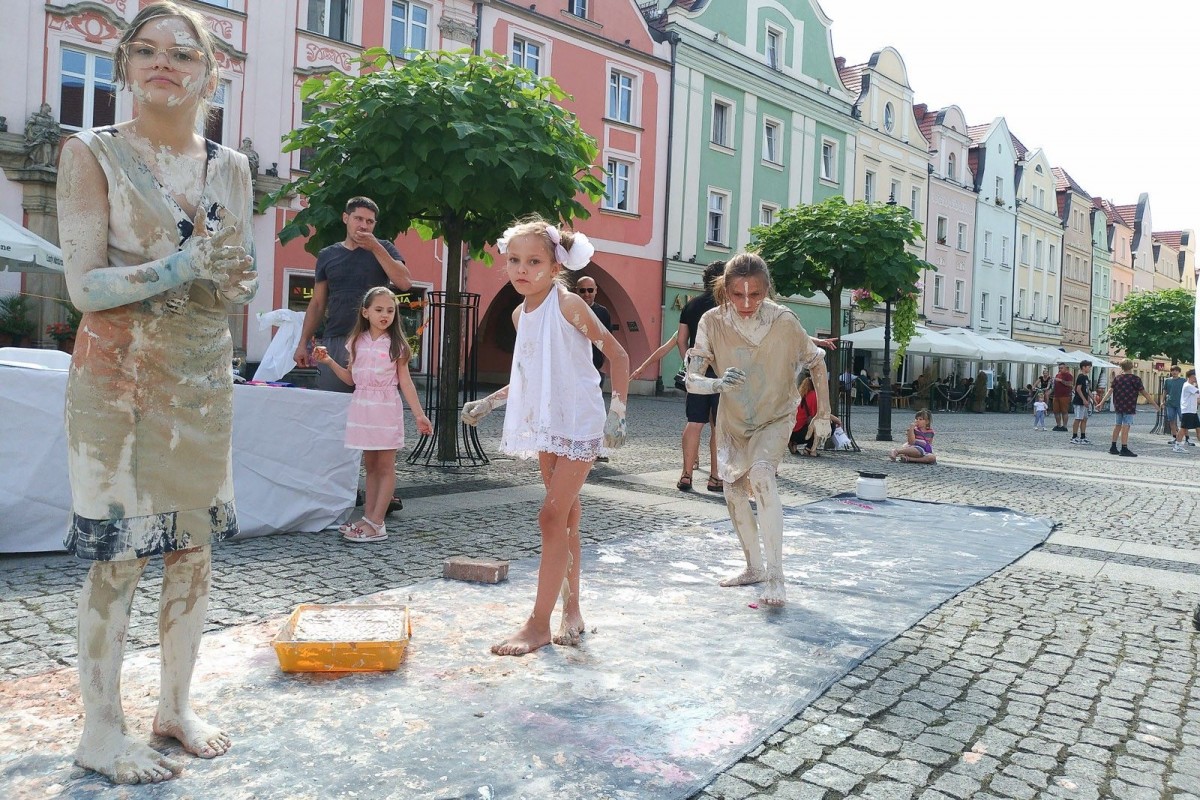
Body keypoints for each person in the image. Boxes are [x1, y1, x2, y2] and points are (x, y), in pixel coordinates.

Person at [54, 2, 256, 784]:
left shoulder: (229, 166)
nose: (162, 63)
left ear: (209, 72)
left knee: (193, 552)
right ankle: (101, 731)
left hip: (202, 378)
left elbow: (231, 281)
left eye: (181, 53)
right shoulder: (91, 153)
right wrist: (182, 266)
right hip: (117, 379)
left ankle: (175, 706)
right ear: (125, 67)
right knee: (120, 559)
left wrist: (229, 276)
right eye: (145, 51)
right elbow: (85, 287)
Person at [460, 215, 629, 656]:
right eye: (514, 260)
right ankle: (571, 611)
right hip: (546, 424)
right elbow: (530, 375)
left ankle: (538, 624)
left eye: (534, 261)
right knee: (566, 518)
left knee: (550, 517)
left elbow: (618, 353)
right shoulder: (520, 314)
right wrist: (490, 402)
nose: (522, 269)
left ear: (555, 266)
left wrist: (619, 411)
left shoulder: (569, 304)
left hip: (578, 423)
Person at [685, 253, 830, 607]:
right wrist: (716, 384)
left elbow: (816, 362)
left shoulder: (784, 320)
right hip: (734, 419)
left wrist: (823, 413)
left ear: (767, 290)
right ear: (725, 291)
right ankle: (754, 567)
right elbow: (691, 380)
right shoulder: (711, 321)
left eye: (755, 295)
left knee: (763, 476)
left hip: (776, 414)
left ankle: (777, 576)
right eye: (738, 295)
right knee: (733, 493)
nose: (747, 303)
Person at [313, 287, 432, 542]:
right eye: (379, 310)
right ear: (365, 312)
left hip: (386, 408)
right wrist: (329, 362)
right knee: (371, 466)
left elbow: (406, 383)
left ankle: (377, 523)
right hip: (362, 407)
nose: (385, 315)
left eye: (390, 310)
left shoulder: (397, 345)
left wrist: (419, 415)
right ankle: (367, 518)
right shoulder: (355, 342)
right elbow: (351, 379)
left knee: (386, 465)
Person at [293, 196, 412, 392]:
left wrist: (375, 247)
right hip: (336, 339)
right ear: (345, 218)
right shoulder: (327, 255)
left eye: (370, 221)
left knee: (373, 404)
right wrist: (303, 343)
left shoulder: (384, 248)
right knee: (331, 407)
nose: (364, 225)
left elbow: (405, 282)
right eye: (358, 219)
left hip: (374, 341)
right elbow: (317, 304)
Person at [676, 261, 725, 491]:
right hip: (720, 372)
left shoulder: (692, 305)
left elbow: (681, 340)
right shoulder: (726, 307)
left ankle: (686, 474)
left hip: (697, 372)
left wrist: (688, 363)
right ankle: (715, 477)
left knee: (694, 423)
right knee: (718, 427)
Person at [1101, 359, 1159, 457]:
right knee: (1126, 426)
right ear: (1132, 367)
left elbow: (1110, 391)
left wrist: (1101, 402)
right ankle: (1124, 448)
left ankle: (1113, 446)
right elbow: (1144, 393)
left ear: (1121, 367)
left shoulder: (1117, 378)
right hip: (1129, 406)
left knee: (1117, 425)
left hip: (1118, 405)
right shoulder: (1135, 379)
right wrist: (1154, 404)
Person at [790, 375, 842, 456]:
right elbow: (821, 414)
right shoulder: (814, 396)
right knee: (830, 425)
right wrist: (837, 420)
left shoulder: (800, 396)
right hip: (802, 433)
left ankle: (793, 442)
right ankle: (809, 449)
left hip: (791, 432)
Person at [574, 275, 610, 373]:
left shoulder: (603, 312)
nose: (586, 294)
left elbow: (608, 340)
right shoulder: (570, 311)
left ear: (595, 290)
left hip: (596, 367)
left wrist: (603, 366)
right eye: (582, 290)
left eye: (590, 290)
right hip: (574, 366)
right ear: (577, 291)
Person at [1172, 369, 1199, 454]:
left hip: (1193, 411)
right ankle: (1177, 446)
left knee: (1198, 428)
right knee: (1183, 428)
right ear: (1191, 376)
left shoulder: (1192, 386)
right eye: (1196, 376)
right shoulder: (1187, 385)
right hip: (1187, 411)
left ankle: (1178, 445)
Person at [1163, 365, 1189, 446]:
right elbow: (1165, 391)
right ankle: (1174, 436)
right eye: (1173, 371)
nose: (1174, 372)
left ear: (1179, 372)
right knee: (1171, 420)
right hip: (1170, 403)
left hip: (1181, 404)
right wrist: (1162, 401)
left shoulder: (1183, 380)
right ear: (1170, 372)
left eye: (1176, 371)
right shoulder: (1167, 380)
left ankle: (1187, 438)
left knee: (1184, 421)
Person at [1070, 360, 1094, 444]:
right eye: (1088, 367)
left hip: (1084, 402)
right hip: (1079, 401)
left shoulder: (1086, 377)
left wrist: (1093, 399)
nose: (1090, 369)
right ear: (1083, 367)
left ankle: (1083, 436)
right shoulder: (1080, 377)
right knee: (1078, 418)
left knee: (1084, 419)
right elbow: (1078, 389)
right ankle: (1074, 436)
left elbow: (1087, 390)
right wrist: (1084, 400)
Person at [1051, 362, 1074, 431]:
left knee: (1064, 411)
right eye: (1059, 368)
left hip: (1065, 396)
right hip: (1056, 395)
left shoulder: (1068, 375)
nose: (1060, 369)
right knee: (1056, 411)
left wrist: (1061, 380)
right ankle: (1058, 425)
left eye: (1061, 368)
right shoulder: (1057, 375)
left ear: (1065, 368)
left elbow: (1070, 384)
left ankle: (1064, 426)